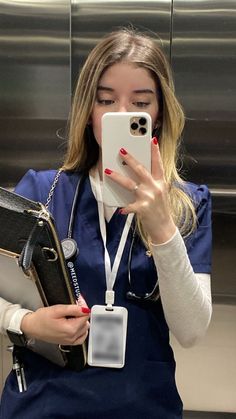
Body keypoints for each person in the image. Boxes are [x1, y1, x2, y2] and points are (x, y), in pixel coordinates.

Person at [0, 28, 212, 418]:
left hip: (143, 405)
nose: (119, 114)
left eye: (140, 102)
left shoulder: (187, 204)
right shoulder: (42, 191)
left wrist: (162, 227)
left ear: (159, 113)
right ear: (88, 109)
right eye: (105, 100)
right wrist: (25, 322)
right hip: (42, 404)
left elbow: (192, 330)